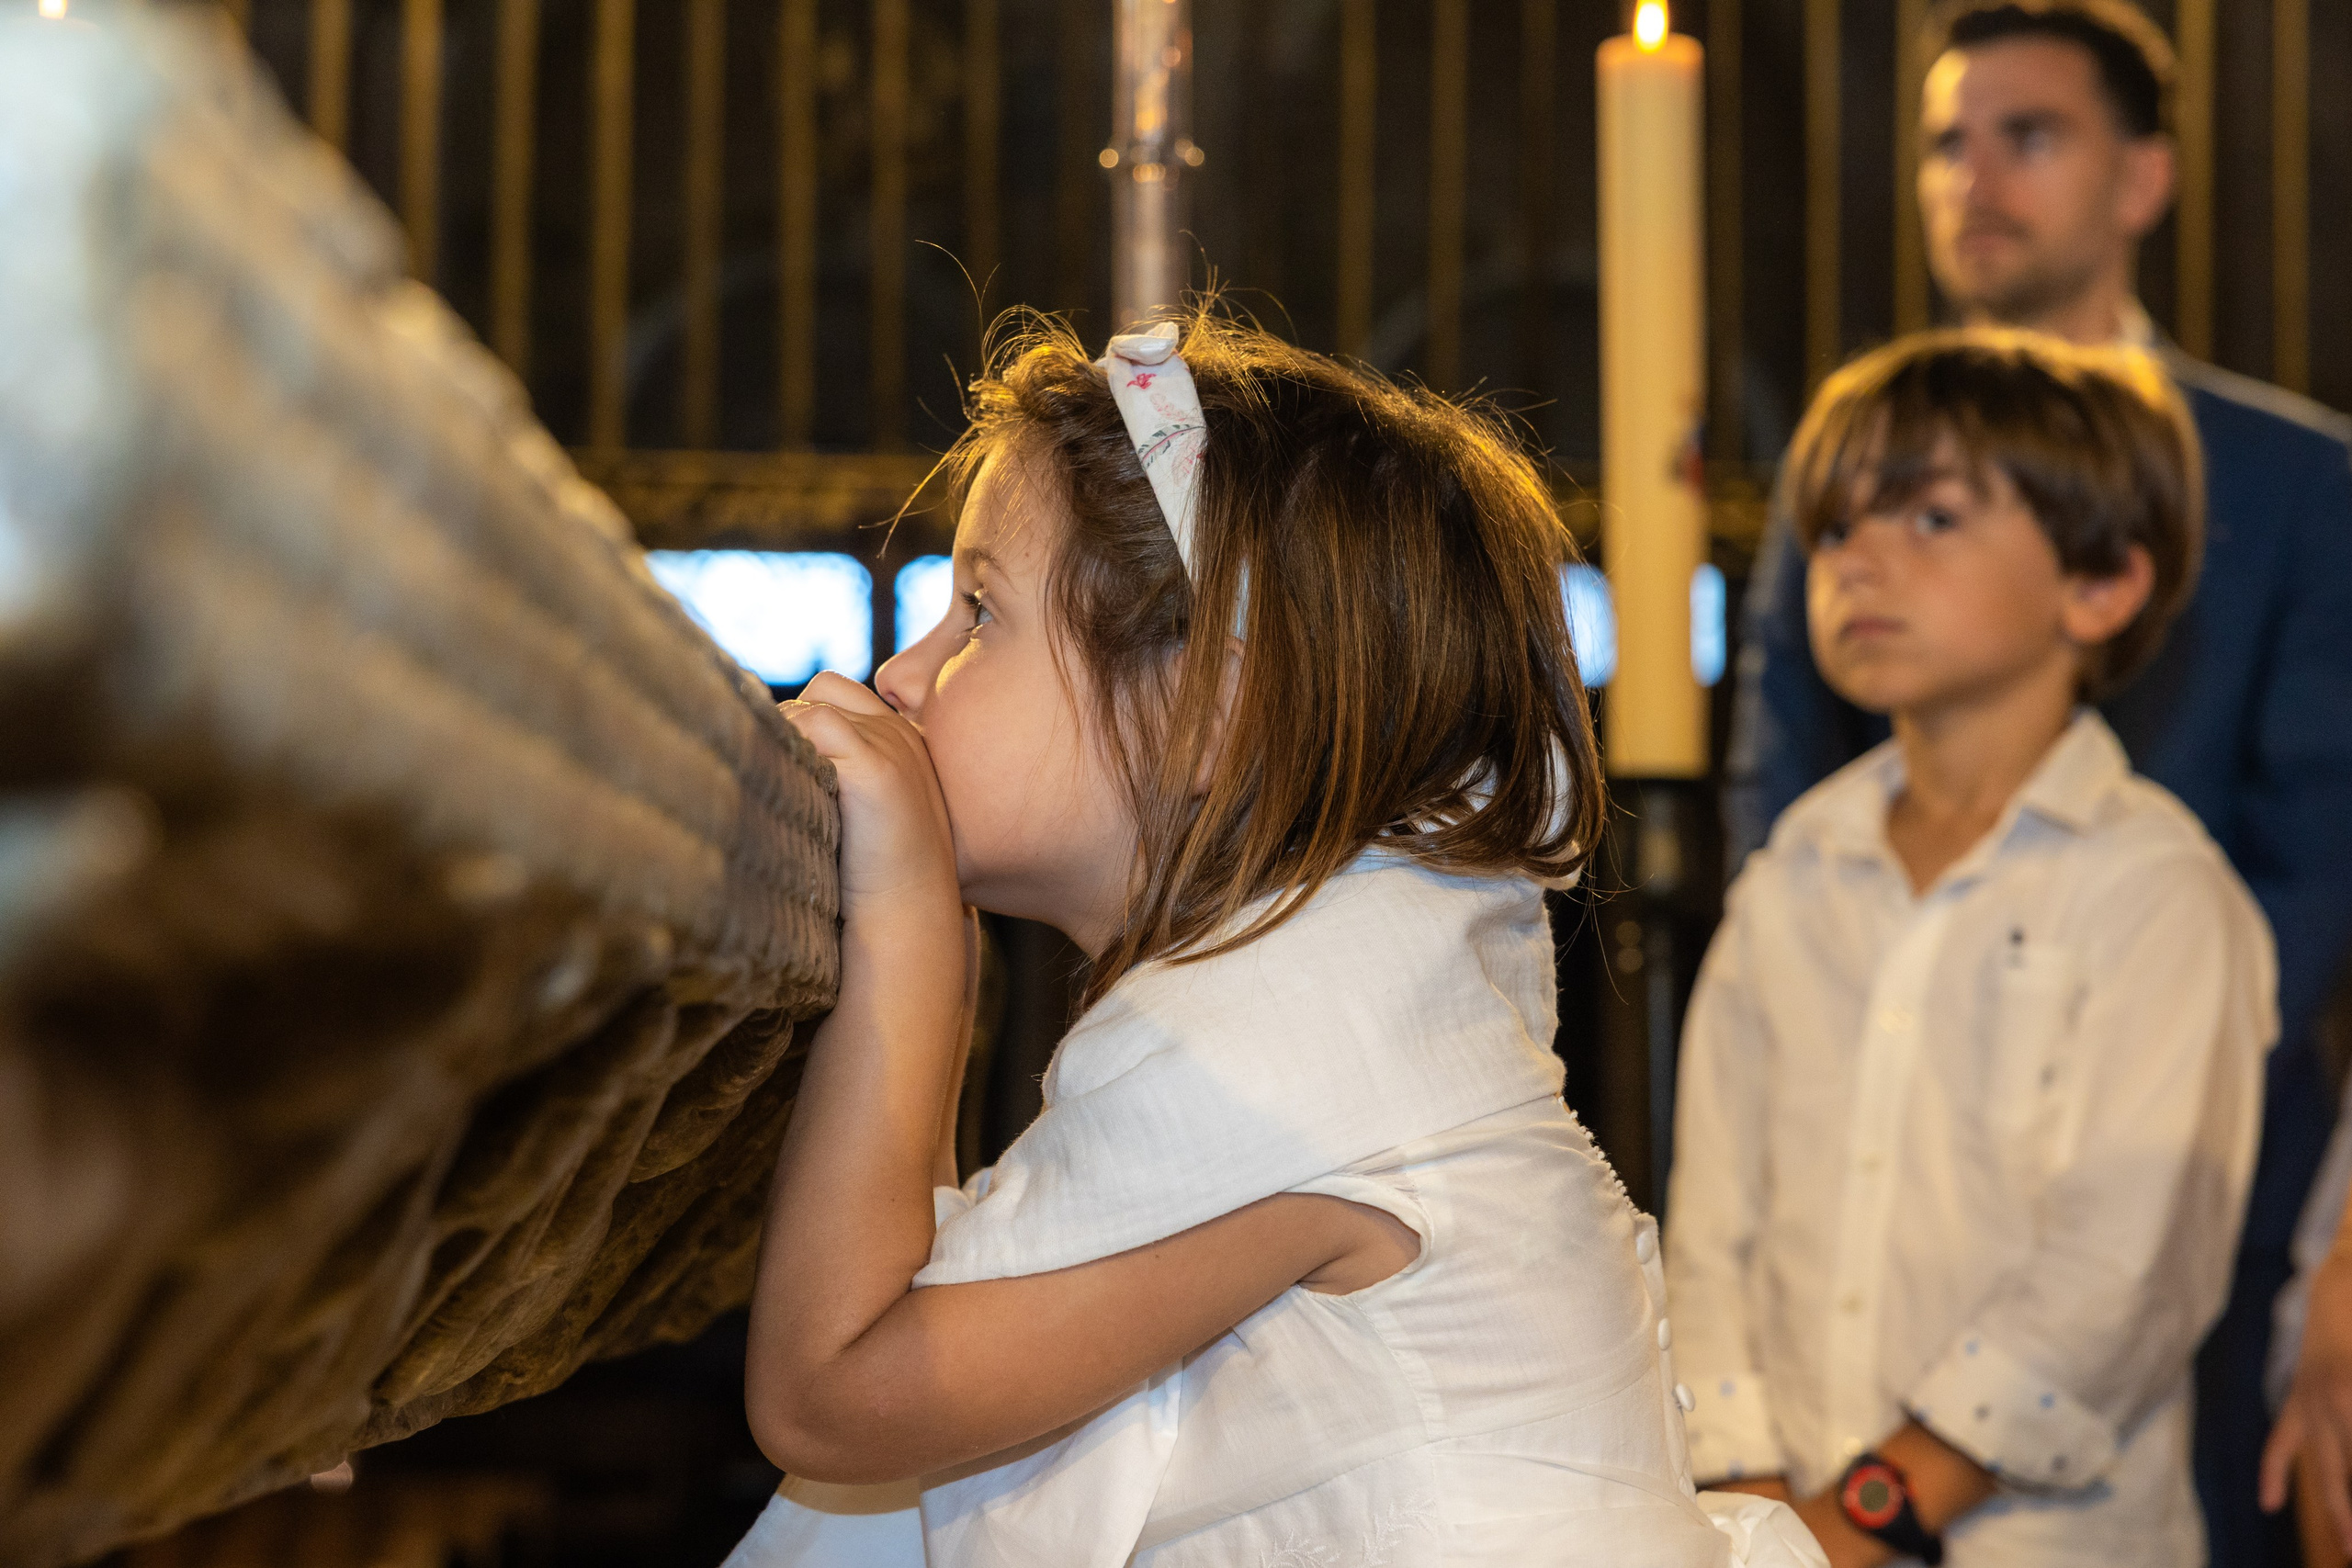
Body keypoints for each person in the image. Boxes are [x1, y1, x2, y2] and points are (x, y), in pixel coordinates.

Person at [722, 310, 1827, 1567]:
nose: (906, 677)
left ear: (1205, 711)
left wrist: (909, 943)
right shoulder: (1360, 999)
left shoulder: (1293, 1061)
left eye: (977, 616)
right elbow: (938, 1306)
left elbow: (835, 1393)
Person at [1725, 4, 2352, 1557]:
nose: (1975, 175)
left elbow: (2318, 837)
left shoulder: (2293, 476)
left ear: (2144, 180)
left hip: (2195, 1130)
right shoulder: (1854, 454)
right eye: (1947, 140)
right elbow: (1781, 760)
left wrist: (2132, 1023)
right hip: (1858, 1048)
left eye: (2030, 134)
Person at [1670, 331, 2276, 1565]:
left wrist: (1872, 1516)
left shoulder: (2156, 893)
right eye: (1837, 530)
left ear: (2098, 583)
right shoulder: (1794, 881)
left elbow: (2122, 1271)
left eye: (1931, 520)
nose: (1861, 561)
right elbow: (1714, 1229)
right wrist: (1754, 1506)